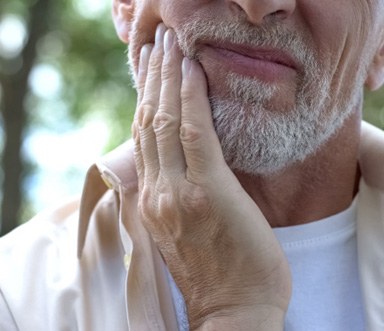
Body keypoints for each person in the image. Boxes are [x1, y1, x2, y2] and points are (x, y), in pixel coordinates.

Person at [1, 0, 384, 330]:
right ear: (126, 4)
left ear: (380, 46)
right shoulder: (16, 300)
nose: (258, 4)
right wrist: (231, 312)